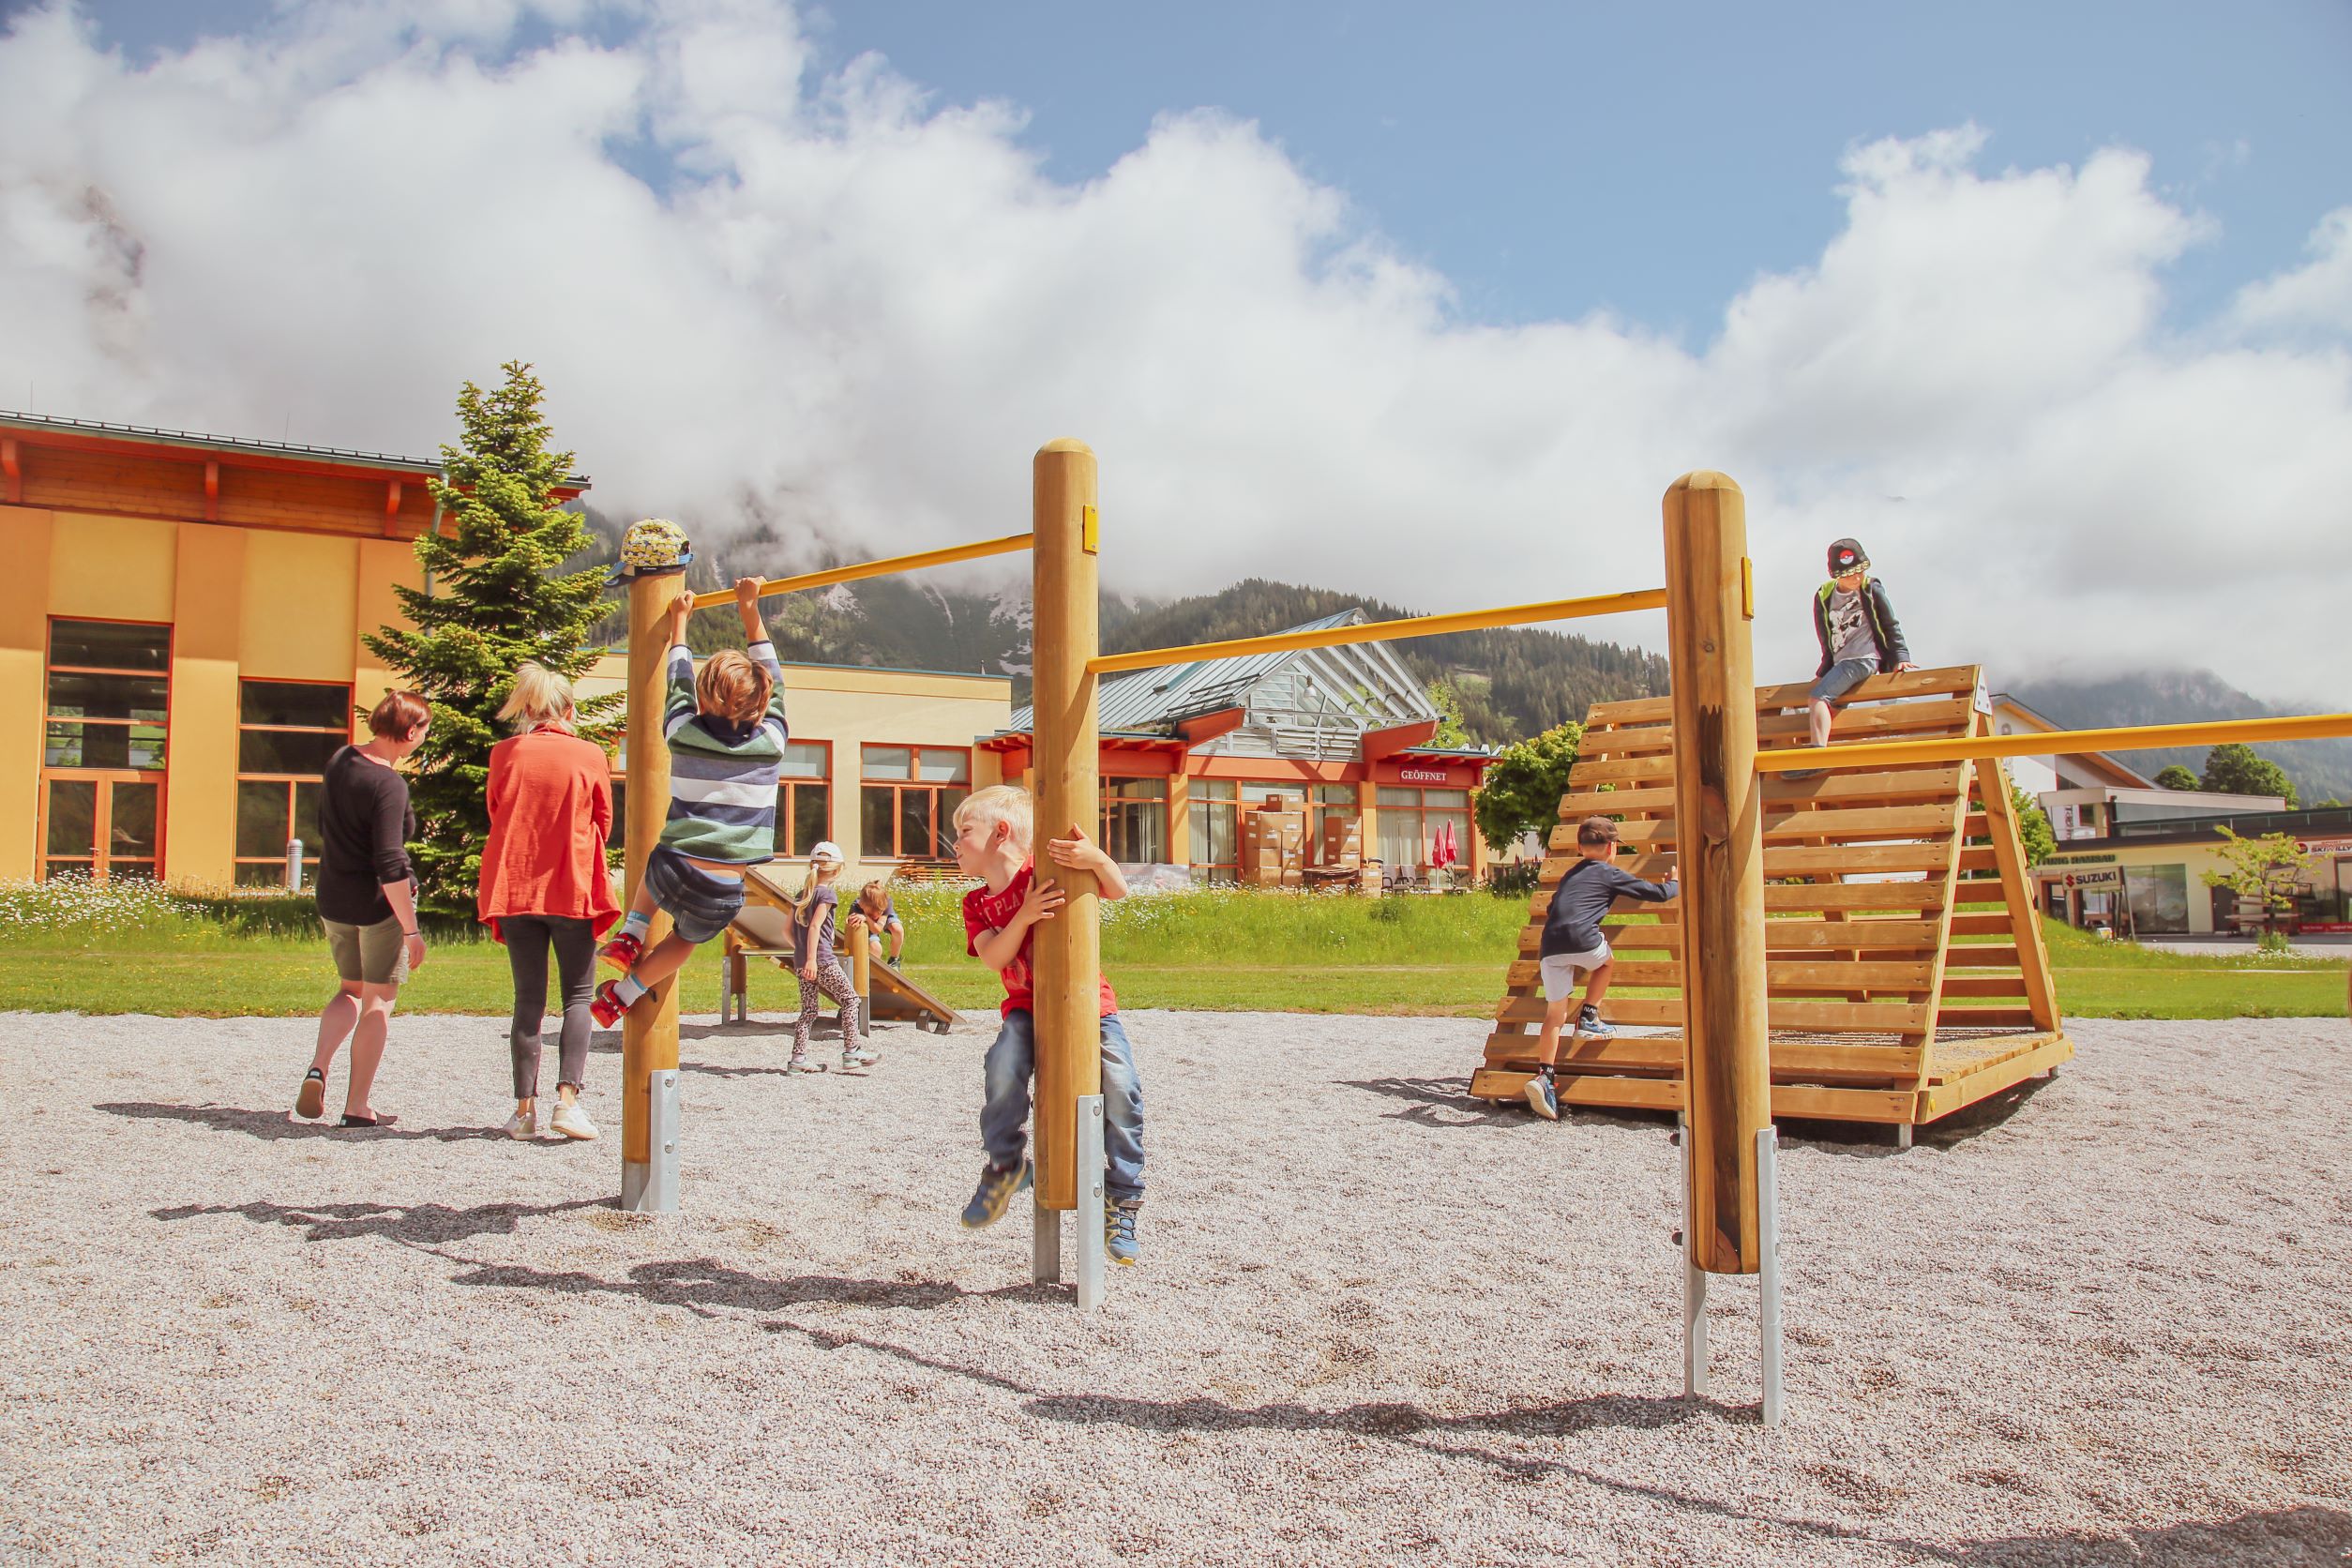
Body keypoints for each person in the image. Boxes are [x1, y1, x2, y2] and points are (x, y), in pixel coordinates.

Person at [951, 785, 1146, 1266]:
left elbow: (1116, 890)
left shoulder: (1044, 872)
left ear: (1000, 832)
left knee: (1122, 1087)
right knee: (1002, 1067)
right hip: (1024, 1008)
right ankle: (1006, 1166)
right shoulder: (976, 904)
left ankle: (1123, 1196)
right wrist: (1024, 916)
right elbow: (994, 956)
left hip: (1089, 1005)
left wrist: (1097, 858)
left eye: (964, 831)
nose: (954, 843)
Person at [591, 579, 792, 1027]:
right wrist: (751, 611)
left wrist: (679, 623)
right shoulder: (772, 742)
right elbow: (776, 680)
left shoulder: (682, 733)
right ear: (762, 702)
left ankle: (631, 931)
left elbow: (677, 682)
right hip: (722, 891)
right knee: (683, 942)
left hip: (673, 868)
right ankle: (621, 996)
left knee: (659, 852)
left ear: (703, 698)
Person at [477, 661, 618, 1141]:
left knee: (528, 1000)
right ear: (570, 711)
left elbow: (496, 810)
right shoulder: (589, 754)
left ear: (528, 711)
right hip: (571, 884)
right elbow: (603, 820)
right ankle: (568, 1102)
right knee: (577, 996)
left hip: (515, 885)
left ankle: (523, 1112)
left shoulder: (504, 753)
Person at [294, 690, 430, 1129]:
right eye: (423, 732)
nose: (422, 739)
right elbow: (390, 862)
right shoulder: (388, 784)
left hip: (334, 896)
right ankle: (357, 1106)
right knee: (379, 999)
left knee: (349, 989)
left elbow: (326, 826)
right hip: (377, 906)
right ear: (410, 731)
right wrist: (411, 930)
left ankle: (318, 1068)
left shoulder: (342, 759)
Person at [1523, 815, 1679, 1122]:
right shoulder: (1609, 872)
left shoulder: (1570, 875)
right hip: (1582, 938)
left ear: (1580, 847)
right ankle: (1589, 1017)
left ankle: (1545, 1076)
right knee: (1606, 963)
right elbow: (1656, 894)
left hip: (1550, 946)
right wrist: (1675, 883)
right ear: (1611, 847)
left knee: (1554, 1015)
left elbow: (1554, 908)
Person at [1787, 536, 1916, 780]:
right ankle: (1832, 753)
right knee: (1833, 704)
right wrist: (1825, 669)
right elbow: (1825, 635)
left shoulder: (1871, 588)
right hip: (1842, 661)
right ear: (1836, 575)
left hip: (1863, 658)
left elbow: (1890, 623)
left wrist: (1901, 655)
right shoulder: (1825, 595)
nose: (1856, 578)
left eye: (1860, 571)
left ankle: (1818, 755)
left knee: (1817, 698)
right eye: (1849, 574)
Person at [789, 841, 876, 1074]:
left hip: (802, 961)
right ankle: (851, 1051)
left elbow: (786, 931)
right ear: (837, 870)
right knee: (851, 1000)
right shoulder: (827, 894)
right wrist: (812, 959)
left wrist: (802, 953)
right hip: (822, 961)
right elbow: (815, 926)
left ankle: (798, 1060)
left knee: (808, 1011)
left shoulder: (801, 895)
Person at [852, 880, 906, 969]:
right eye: (871, 914)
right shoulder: (856, 907)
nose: (876, 916)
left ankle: (894, 960)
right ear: (861, 905)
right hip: (866, 925)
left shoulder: (885, 904)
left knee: (898, 930)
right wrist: (866, 919)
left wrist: (867, 917)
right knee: (876, 948)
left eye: (879, 912)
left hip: (875, 923)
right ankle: (873, 970)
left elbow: (878, 929)